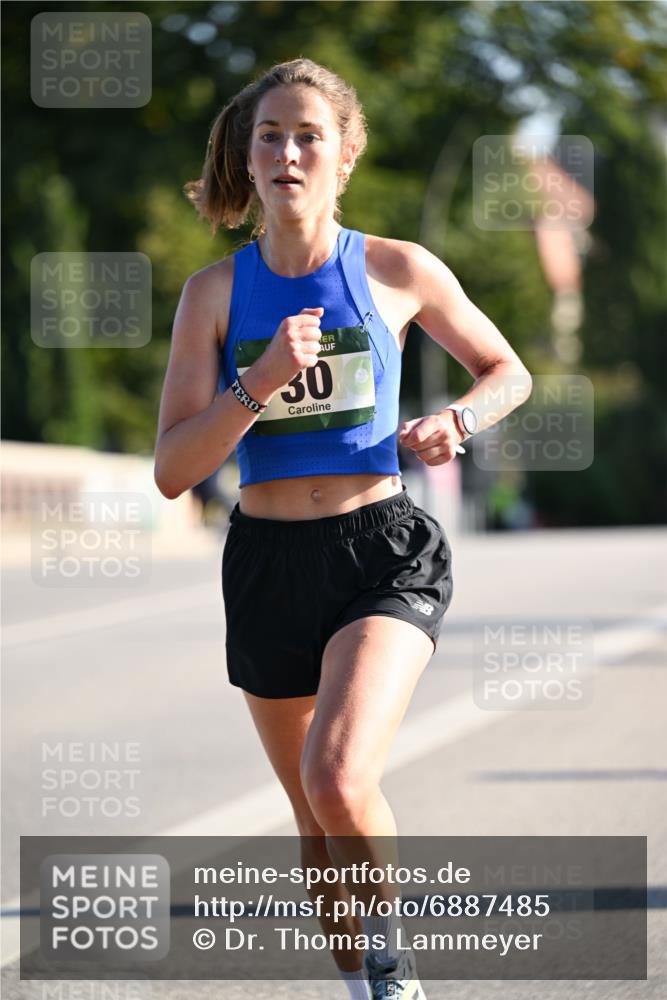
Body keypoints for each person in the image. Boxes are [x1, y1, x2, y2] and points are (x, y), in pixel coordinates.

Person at [154, 57, 532, 1000]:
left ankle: (394, 968)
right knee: (316, 823)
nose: (287, 151)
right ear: (249, 157)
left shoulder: (395, 269)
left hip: (380, 554)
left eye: (308, 135)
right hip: (268, 564)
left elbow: (506, 371)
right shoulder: (212, 295)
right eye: (270, 135)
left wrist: (459, 422)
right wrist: (259, 382)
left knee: (336, 777)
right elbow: (173, 470)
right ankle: (365, 965)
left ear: (345, 156)